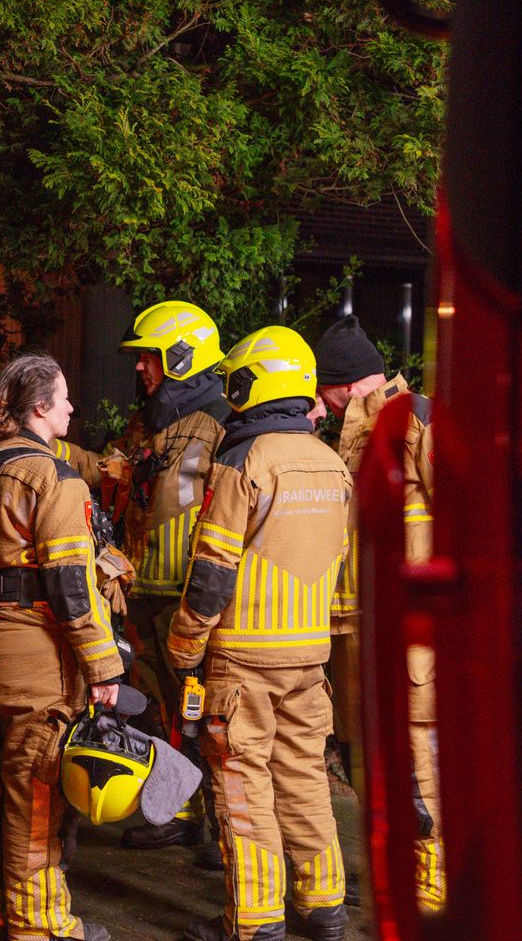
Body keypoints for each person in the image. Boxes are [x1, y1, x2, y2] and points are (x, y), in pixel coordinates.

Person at [168, 326, 351, 941]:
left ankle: (255, 923)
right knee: (303, 775)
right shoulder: (332, 462)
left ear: (254, 385)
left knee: (244, 785)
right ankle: (325, 907)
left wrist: (183, 645)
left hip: (242, 659)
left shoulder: (244, 461)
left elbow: (213, 572)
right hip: (309, 654)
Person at [0, 353, 125, 941]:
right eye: (63, 398)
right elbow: (70, 584)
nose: (73, 408)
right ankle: (40, 926)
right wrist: (103, 665)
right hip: (35, 661)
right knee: (34, 795)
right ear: (39, 408)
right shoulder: (52, 476)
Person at [312, 314, 442, 910]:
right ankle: (400, 883)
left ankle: (432, 895)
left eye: (321, 392)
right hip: (357, 642)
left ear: (340, 385)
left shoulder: (415, 419)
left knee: (419, 776)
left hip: (412, 642)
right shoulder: (350, 436)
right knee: (381, 770)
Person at [104, 300, 230, 865]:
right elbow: (112, 472)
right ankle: (176, 811)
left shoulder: (222, 426)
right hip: (145, 589)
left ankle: (218, 821)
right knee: (155, 706)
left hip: (188, 594)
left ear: (180, 357)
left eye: (148, 357)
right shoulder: (148, 422)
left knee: (199, 710)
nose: (139, 368)